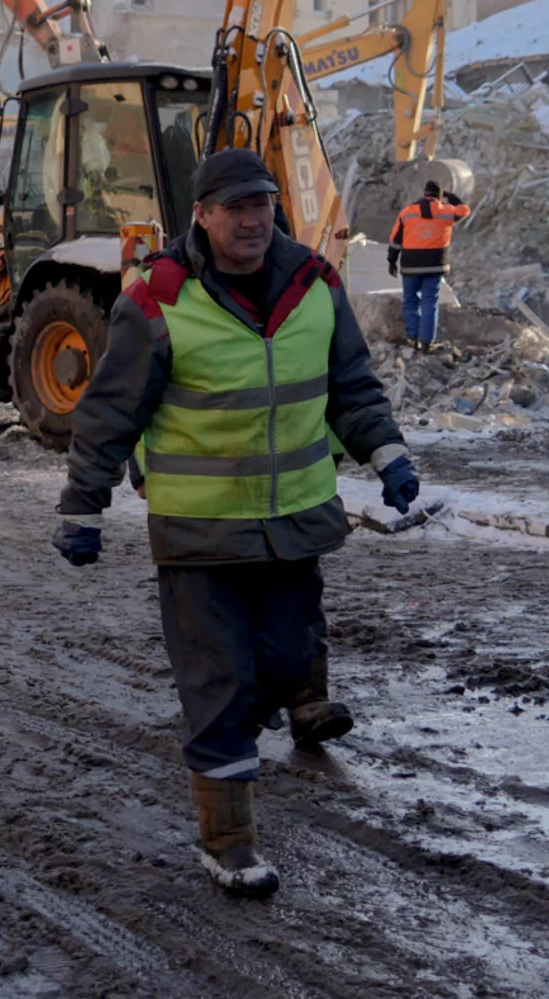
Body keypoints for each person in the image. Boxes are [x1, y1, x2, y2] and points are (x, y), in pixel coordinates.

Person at [52, 148, 420, 899]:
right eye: (235, 207)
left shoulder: (314, 284)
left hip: (294, 528)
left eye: (263, 204)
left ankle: (260, 720)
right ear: (203, 215)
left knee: (288, 665)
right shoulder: (158, 297)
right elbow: (113, 410)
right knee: (219, 684)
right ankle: (230, 841)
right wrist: (83, 503)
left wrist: (387, 455)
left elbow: (350, 386)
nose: (252, 220)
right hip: (200, 538)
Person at [387, 179, 471, 351]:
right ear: (439, 196)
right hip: (434, 266)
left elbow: (395, 239)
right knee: (429, 303)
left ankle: (412, 337)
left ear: (424, 194)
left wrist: (391, 260)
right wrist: (450, 196)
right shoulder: (447, 213)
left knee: (410, 301)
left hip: (410, 265)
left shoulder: (407, 212)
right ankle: (426, 343)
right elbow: (465, 210)